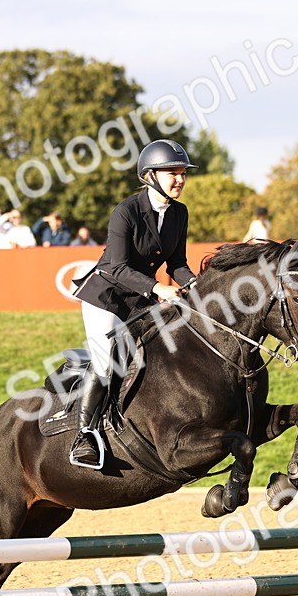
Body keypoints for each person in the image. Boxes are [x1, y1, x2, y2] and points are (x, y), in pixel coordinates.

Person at [67, 139, 199, 469]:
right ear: (150, 175)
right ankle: (84, 435)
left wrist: (197, 287)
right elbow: (115, 267)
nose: (179, 179)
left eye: (182, 173)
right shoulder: (126, 211)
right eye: (173, 173)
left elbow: (177, 263)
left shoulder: (179, 213)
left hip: (140, 301)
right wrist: (158, 289)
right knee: (108, 360)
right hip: (106, 298)